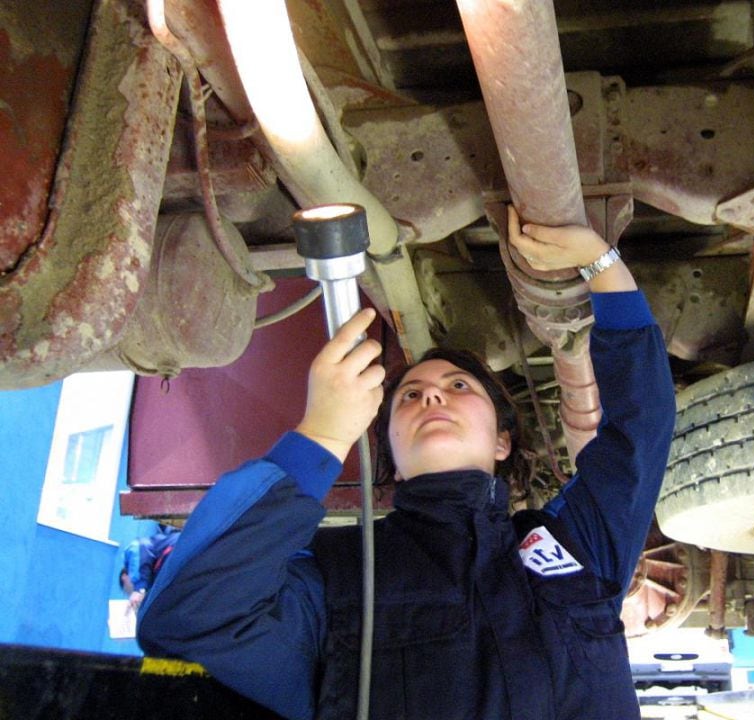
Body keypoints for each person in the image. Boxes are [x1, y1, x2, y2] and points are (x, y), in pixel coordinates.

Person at [137, 206, 676, 720]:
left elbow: (640, 429)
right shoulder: (341, 574)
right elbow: (193, 619)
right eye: (410, 396)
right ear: (389, 451)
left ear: (502, 443)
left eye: (458, 386)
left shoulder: (567, 547)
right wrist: (320, 434)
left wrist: (601, 263)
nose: (432, 398)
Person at [119, 523, 180, 612]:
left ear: (124, 577)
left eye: (128, 591)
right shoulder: (151, 581)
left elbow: (139, 547)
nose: (130, 594)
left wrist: (138, 589)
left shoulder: (134, 551)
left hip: (176, 548)